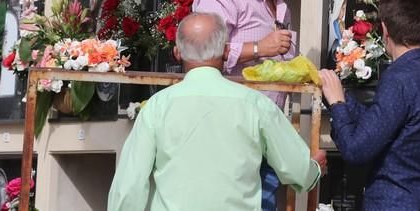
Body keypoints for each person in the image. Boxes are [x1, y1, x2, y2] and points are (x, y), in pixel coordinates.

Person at [108, 12, 325, 211]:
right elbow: (297, 169)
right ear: (227, 51)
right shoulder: (256, 104)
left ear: (177, 53)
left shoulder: (156, 107)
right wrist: (314, 167)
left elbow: (129, 187)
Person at [192, 0, 300, 210]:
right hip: (231, 129)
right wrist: (258, 48)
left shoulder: (278, 4)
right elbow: (201, 53)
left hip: (267, 130)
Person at [319, 0, 420, 210]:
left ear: (384, 29)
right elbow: (386, 124)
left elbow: (356, 150)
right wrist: (341, 96)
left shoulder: (399, 78)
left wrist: (337, 104)